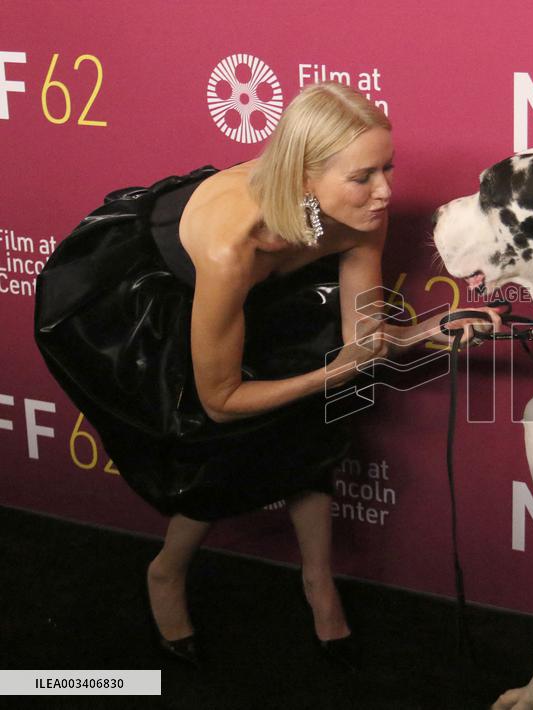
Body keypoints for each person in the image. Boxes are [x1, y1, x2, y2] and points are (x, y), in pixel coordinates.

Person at [34, 81, 500, 669]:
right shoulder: (232, 243)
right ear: (305, 176)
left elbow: (362, 341)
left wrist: (427, 330)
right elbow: (223, 400)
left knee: (313, 425)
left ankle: (317, 581)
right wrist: (327, 374)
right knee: (223, 443)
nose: (386, 191)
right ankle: (166, 572)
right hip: (158, 289)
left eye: (388, 167)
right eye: (363, 176)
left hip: (279, 263)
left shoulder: (360, 213)